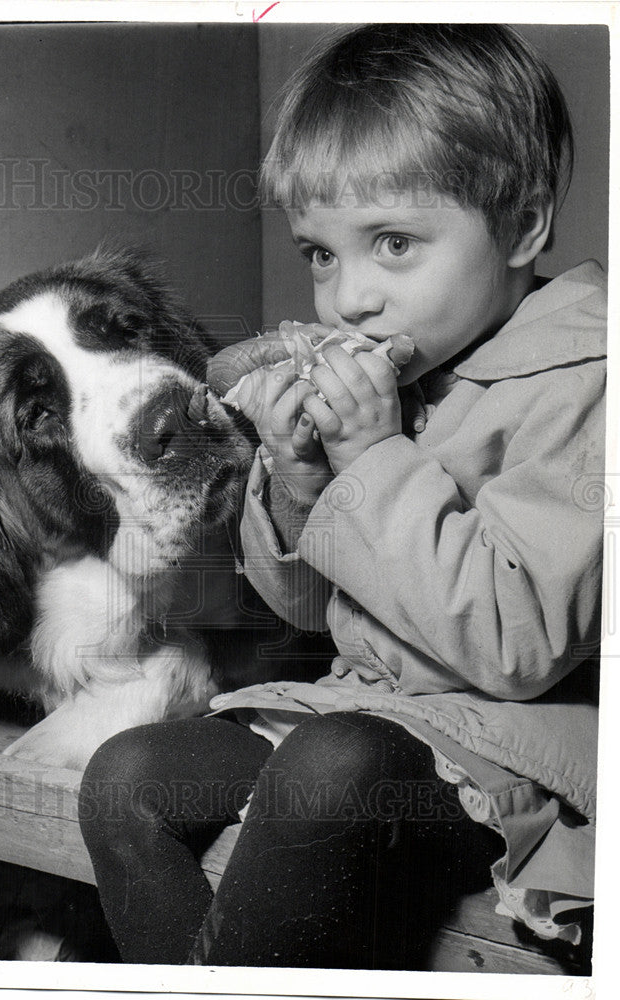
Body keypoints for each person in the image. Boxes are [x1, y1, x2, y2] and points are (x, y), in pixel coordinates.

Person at [79, 23, 604, 968]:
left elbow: (514, 645)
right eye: (322, 254)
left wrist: (372, 460)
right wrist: (301, 478)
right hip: (360, 712)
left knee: (329, 769)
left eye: (393, 242)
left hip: (512, 752)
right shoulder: (409, 369)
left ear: (523, 226)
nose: (348, 298)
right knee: (126, 779)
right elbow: (314, 616)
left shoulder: (584, 384)